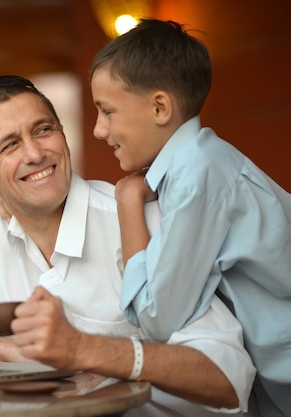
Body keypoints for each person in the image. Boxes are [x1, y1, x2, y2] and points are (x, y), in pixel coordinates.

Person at [0, 75, 256, 416]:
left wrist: (84, 349)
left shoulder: (138, 222)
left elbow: (228, 377)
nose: (35, 153)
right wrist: (4, 350)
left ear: (63, 135)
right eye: (10, 145)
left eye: (43, 129)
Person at [89, 19, 291, 416]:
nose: (99, 130)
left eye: (107, 111)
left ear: (160, 107)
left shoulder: (198, 174)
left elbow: (158, 318)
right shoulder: (199, 164)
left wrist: (129, 202)